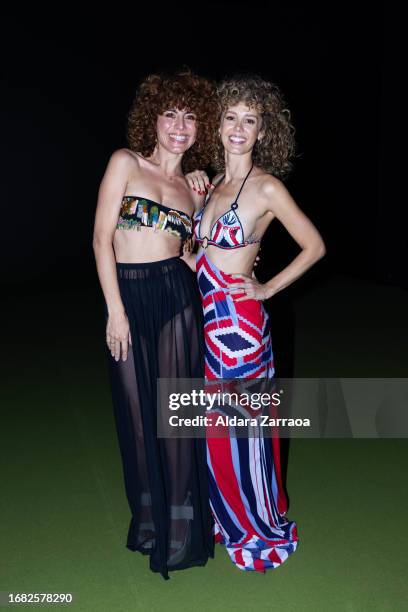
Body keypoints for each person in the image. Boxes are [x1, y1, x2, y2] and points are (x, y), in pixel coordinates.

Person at [186, 75, 326, 572]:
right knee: (213, 429)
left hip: (239, 328)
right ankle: (227, 514)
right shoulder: (209, 185)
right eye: (230, 117)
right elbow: (195, 256)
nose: (238, 128)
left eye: (250, 119)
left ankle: (255, 524)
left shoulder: (266, 186)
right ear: (218, 125)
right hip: (204, 321)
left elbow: (315, 246)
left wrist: (266, 289)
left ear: (264, 129)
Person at [92, 70, 217, 580]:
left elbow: (191, 258)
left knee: (174, 422)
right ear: (154, 119)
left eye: (189, 117)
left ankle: (183, 530)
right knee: (138, 422)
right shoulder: (125, 162)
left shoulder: (195, 189)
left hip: (175, 300)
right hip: (128, 295)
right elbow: (102, 240)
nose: (179, 126)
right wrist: (114, 310)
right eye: (170, 114)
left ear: (198, 128)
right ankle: (149, 521)